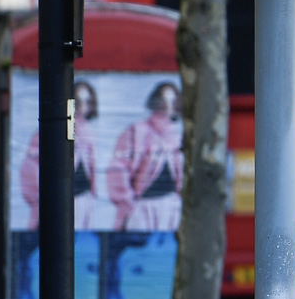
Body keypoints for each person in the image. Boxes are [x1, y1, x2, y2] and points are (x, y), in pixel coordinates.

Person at [21, 79, 105, 229]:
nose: (82, 106)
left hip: (84, 201)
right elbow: (30, 167)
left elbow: (93, 167)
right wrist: (41, 199)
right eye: (78, 101)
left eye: (87, 101)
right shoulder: (48, 131)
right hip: (56, 202)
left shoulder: (90, 132)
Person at [107, 81, 185, 233]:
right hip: (141, 208)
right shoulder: (136, 131)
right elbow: (118, 168)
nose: (168, 106)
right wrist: (127, 202)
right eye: (164, 101)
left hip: (172, 208)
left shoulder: (178, 135)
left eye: (173, 101)